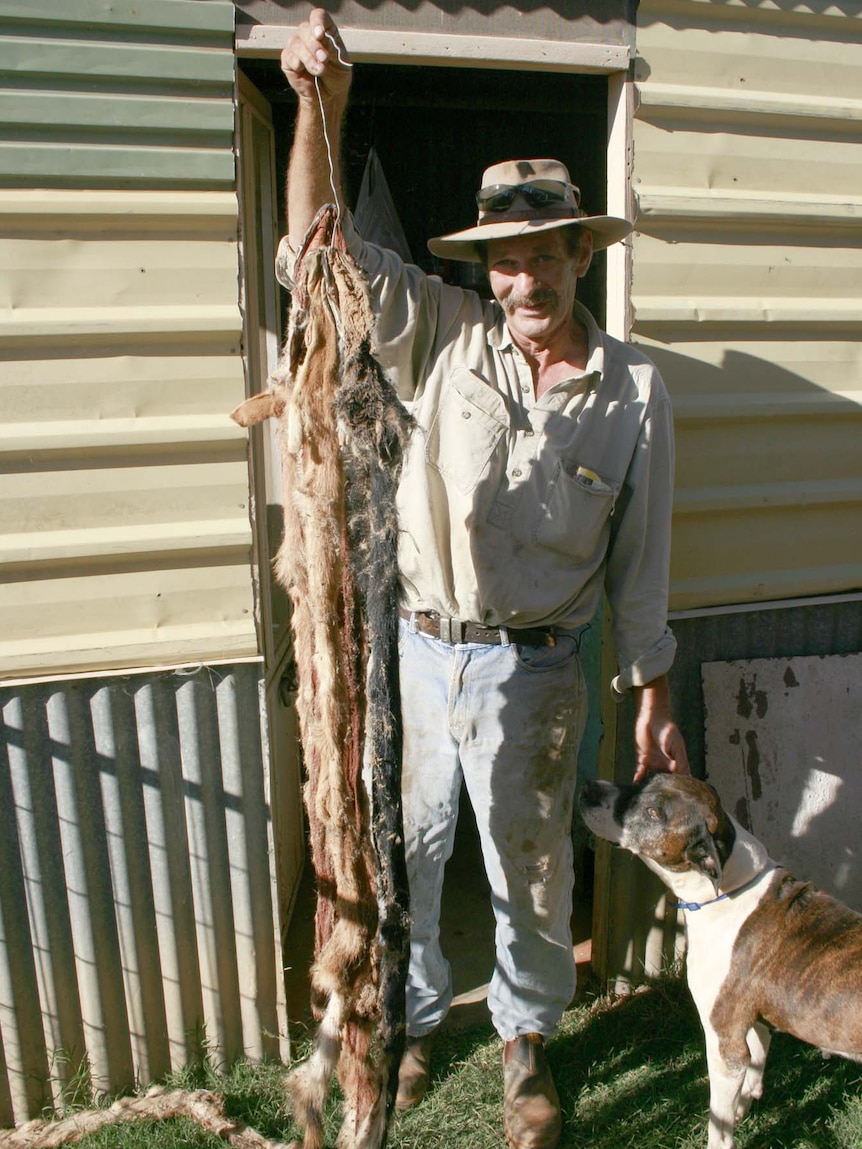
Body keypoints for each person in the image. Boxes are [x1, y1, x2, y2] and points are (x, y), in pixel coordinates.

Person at [280, 12, 690, 1149]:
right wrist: (325, 103)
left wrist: (652, 691)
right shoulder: (441, 332)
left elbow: (641, 565)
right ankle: (413, 1021)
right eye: (503, 258)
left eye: (542, 253)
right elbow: (312, 257)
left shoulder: (636, 395)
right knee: (412, 844)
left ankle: (523, 1043)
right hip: (422, 645)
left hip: (547, 666)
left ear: (581, 256)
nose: (520, 279)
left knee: (531, 861)